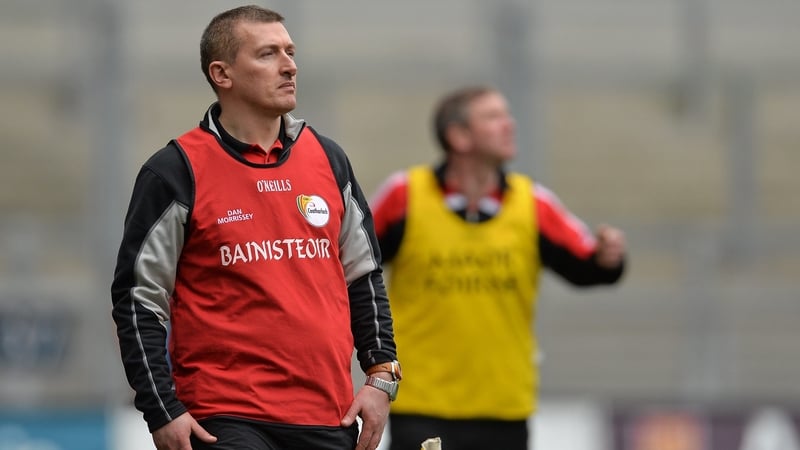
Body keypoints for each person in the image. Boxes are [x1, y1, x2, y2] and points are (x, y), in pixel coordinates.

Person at [110, 6, 400, 450]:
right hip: (225, 417)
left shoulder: (328, 157)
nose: (290, 65)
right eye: (268, 54)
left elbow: (363, 275)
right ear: (222, 74)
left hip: (327, 412)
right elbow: (139, 300)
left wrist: (381, 375)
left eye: (290, 51)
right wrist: (162, 409)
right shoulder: (175, 170)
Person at [369, 85, 627, 450]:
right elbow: (353, 263)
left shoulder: (533, 203)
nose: (510, 125)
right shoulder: (404, 196)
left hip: (504, 410)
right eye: (493, 117)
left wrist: (608, 257)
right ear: (458, 136)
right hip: (421, 406)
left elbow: (587, 265)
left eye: (506, 115)